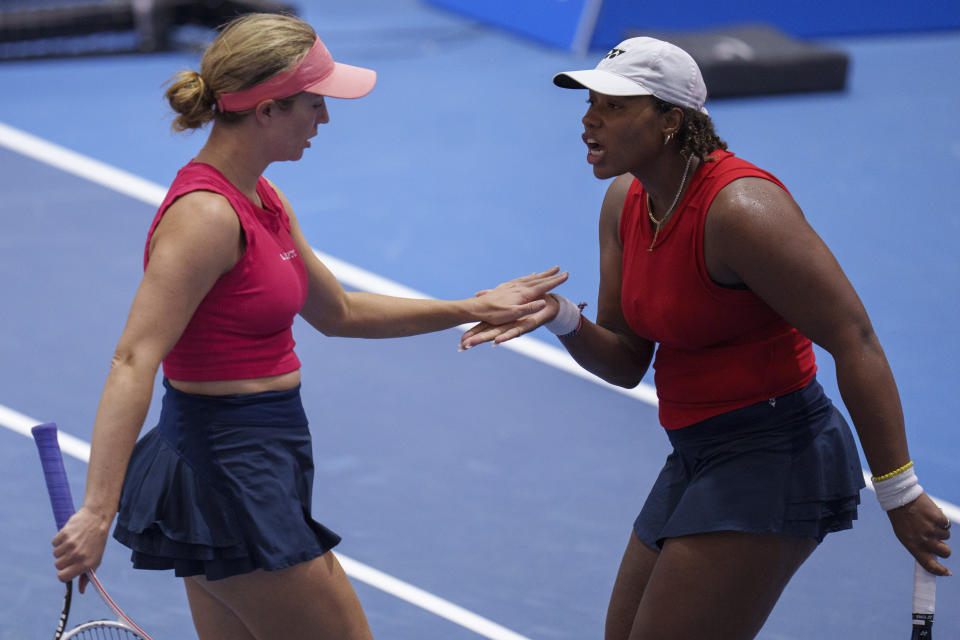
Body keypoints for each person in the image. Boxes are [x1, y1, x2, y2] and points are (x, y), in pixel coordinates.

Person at [48, 13, 567, 640]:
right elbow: (133, 359)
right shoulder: (206, 218)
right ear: (267, 110)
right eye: (315, 103)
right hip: (226, 468)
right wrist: (97, 512)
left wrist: (469, 305)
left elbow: (338, 313)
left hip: (265, 456)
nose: (325, 118)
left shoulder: (264, 199)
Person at [461, 37, 951, 639]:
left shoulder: (742, 210)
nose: (589, 119)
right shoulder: (625, 200)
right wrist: (563, 316)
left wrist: (899, 493)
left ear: (671, 120)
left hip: (777, 456)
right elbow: (626, 360)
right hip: (697, 454)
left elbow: (856, 340)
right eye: (590, 102)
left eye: (613, 106)